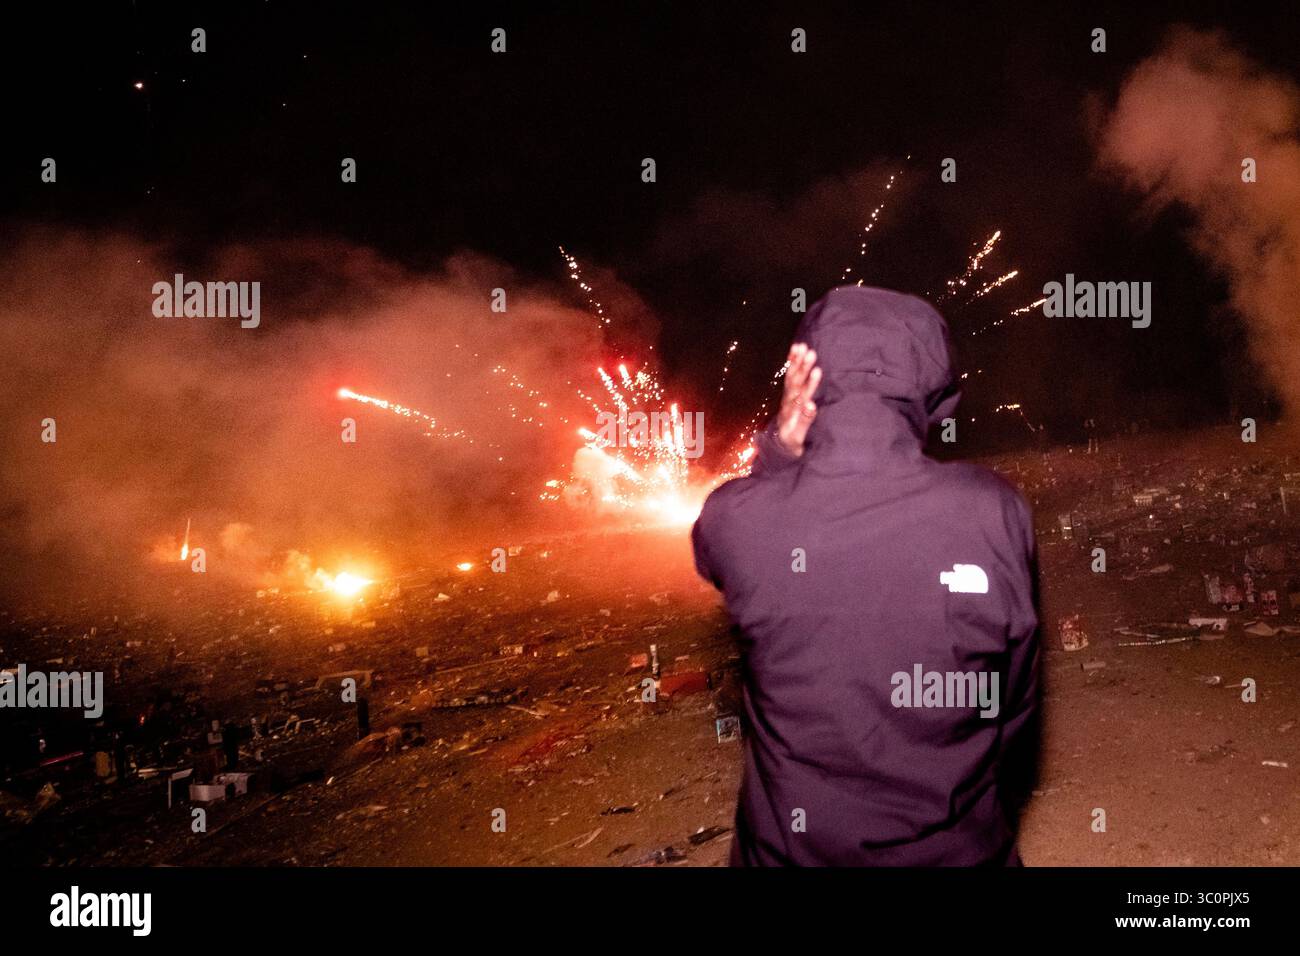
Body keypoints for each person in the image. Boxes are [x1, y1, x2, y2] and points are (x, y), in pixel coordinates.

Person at [692, 286, 1040, 866]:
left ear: (806, 378)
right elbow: (1015, 701)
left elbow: (713, 548)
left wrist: (780, 447)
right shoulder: (993, 511)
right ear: (933, 387)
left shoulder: (739, 520)